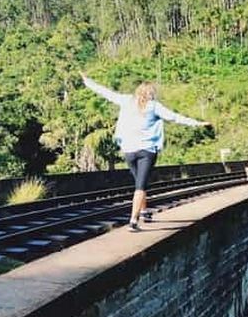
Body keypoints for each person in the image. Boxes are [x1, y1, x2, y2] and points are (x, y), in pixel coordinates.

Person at [80, 72, 210, 231]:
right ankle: (133, 221)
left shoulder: (126, 100)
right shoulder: (154, 106)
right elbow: (174, 117)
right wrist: (197, 123)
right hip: (147, 151)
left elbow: (106, 92)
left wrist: (87, 81)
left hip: (129, 151)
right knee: (140, 186)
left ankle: (143, 211)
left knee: (139, 183)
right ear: (151, 94)